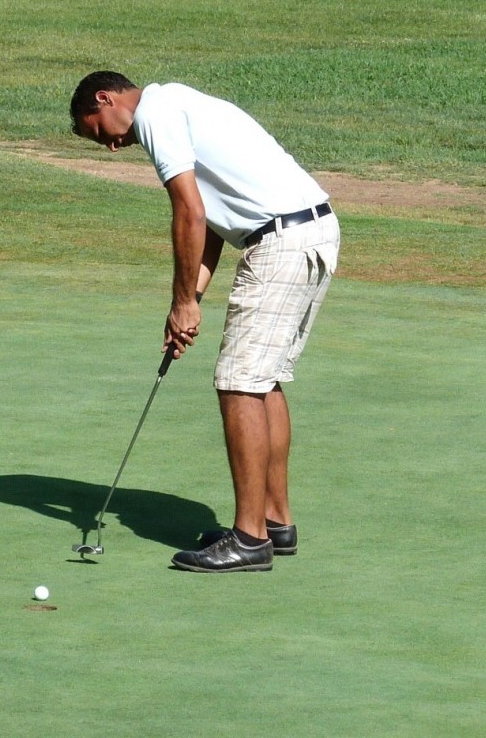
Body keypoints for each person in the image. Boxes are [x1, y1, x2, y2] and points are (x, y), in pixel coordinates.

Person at [69, 71, 340, 573]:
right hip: (308, 229)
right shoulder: (178, 106)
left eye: (98, 131)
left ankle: (249, 539)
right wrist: (191, 297)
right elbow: (212, 224)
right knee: (262, 381)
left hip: (281, 242)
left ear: (105, 99)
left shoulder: (154, 115)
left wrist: (180, 304)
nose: (110, 146)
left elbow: (189, 215)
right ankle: (274, 522)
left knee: (238, 384)